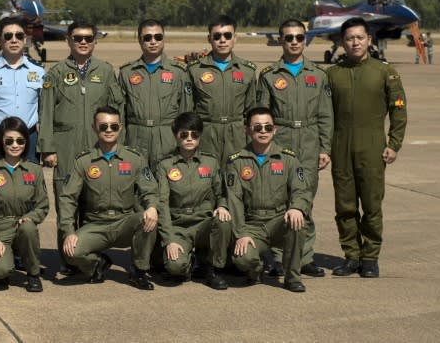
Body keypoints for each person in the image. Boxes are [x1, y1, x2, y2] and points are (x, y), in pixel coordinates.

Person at [38, 21, 123, 274]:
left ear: (95, 41)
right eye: (78, 38)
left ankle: (88, 254)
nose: (83, 42)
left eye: (88, 38)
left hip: (97, 150)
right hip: (65, 149)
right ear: (68, 40)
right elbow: (45, 113)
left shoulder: (106, 72)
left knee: (92, 206)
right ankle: (69, 259)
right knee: (67, 205)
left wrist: (116, 145)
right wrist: (48, 148)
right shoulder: (55, 73)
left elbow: (117, 111)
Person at [327, 17, 407, 278]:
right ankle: (351, 255)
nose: (355, 42)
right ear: (342, 42)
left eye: (360, 37)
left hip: (372, 146)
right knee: (345, 206)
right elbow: (325, 114)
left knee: (372, 205)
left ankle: (370, 257)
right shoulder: (334, 74)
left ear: (369, 40)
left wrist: (394, 144)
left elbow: (399, 111)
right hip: (340, 146)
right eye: (349, 38)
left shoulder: (385, 72)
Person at [256, 19, 333, 278]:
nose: (294, 42)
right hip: (281, 141)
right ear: (280, 40)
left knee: (305, 200)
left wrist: (325, 147)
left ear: (305, 39)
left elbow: (325, 115)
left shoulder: (318, 75)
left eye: (299, 37)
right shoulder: (269, 76)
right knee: (279, 201)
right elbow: (263, 116)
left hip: (309, 143)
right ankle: (279, 257)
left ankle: (305, 256)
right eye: (288, 37)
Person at [60, 106, 159, 290]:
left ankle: (139, 270)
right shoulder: (83, 161)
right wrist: (69, 231)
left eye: (113, 126)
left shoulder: (134, 158)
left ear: (120, 127)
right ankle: (97, 263)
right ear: (94, 127)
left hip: (125, 222)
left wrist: (152, 206)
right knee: (71, 252)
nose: (108, 130)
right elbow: (68, 198)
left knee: (148, 219)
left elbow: (150, 189)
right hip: (96, 224)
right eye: (103, 126)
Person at [226, 107, 311, 293]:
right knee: (243, 258)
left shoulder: (288, 159)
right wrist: (241, 233)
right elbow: (234, 200)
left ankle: (292, 277)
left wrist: (297, 207)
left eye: (267, 127)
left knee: (297, 222)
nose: (263, 131)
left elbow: (301, 190)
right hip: (252, 224)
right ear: (247, 130)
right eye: (257, 128)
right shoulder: (237, 161)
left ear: (275, 130)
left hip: (279, 220)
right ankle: (256, 269)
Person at [156, 112, 231, 289]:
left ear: (200, 136)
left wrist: (222, 206)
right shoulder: (165, 165)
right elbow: (162, 204)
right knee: (175, 268)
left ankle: (213, 269)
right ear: (176, 135)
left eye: (194, 134)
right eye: (184, 134)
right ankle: (190, 262)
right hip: (179, 226)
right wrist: (169, 240)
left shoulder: (210, 162)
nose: (189, 139)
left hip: (203, 222)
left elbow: (221, 192)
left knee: (222, 221)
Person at [0, 117, 49, 292]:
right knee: (1, 271)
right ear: (1, 142)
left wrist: (30, 217)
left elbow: (42, 205)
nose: (15, 145)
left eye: (20, 140)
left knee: (29, 229)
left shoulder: (34, 170)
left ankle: (33, 274)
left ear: (26, 142)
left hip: (22, 225)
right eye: (9, 140)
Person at [185, 15, 257, 164]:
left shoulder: (247, 71)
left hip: (236, 136)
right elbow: (187, 111)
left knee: (236, 180)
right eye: (217, 36)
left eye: (227, 35)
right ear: (209, 38)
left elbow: (252, 111)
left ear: (235, 38)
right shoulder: (195, 70)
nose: (222, 40)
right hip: (206, 135)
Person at [118, 19, 189, 168]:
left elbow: (186, 112)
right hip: (135, 139)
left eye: (158, 37)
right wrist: (119, 145)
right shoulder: (127, 72)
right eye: (147, 38)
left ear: (164, 39)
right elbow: (120, 113)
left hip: (168, 139)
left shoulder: (178, 72)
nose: (153, 41)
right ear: (139, 40)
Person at [0, 17, 44, 166]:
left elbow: (45, 111)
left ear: (25, 39)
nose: (14, 40)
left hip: (28, 138)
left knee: (29, 186)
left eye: (19, 35)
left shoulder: (39, 70)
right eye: (8, 36)